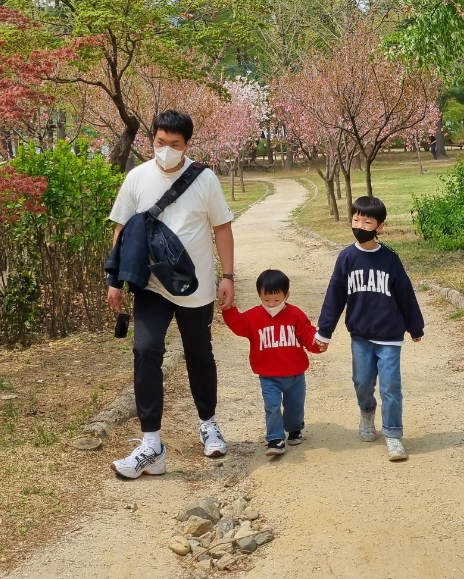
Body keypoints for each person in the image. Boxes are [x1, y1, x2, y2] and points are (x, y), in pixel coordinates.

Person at [106, 109, 235, 479]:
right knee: (146, 350)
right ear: (152, 140)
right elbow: (122, 231)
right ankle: (151, 444)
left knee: (199, 352)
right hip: (151, 285)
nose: (166, 151)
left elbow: (222, 228)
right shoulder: (136, 178)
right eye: (160, 143)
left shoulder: (204, 179)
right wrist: (114, 279)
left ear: (187, 145)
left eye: (174, 145)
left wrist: (227, 276)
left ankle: (208, 423)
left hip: (196, 287)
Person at [315, 195, 424, 461]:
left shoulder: (390, 260)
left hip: (389, 336)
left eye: (367, 221)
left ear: (380, 227)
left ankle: (393, 435)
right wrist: (324, 331)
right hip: (360, 336)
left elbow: (405, 294)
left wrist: (415, 327)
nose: (360, 225)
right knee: (362, 383)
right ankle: (367, 413)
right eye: (356, 219)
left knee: (391, 386)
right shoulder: (346, 258)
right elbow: (335, 296)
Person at [222, 268, 326, 457]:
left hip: (295, 374)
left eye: (277, 300)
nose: (271, 304)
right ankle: (275, 438)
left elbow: (307, 334)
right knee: (272, 406)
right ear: (259, 296)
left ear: (287, 295)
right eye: (266, 299)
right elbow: (239, 325)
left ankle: (294, 429)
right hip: (269, 376)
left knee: (295, 405)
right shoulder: (253, 317)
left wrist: (316, 343)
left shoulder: (295, 315)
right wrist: (229, 309)